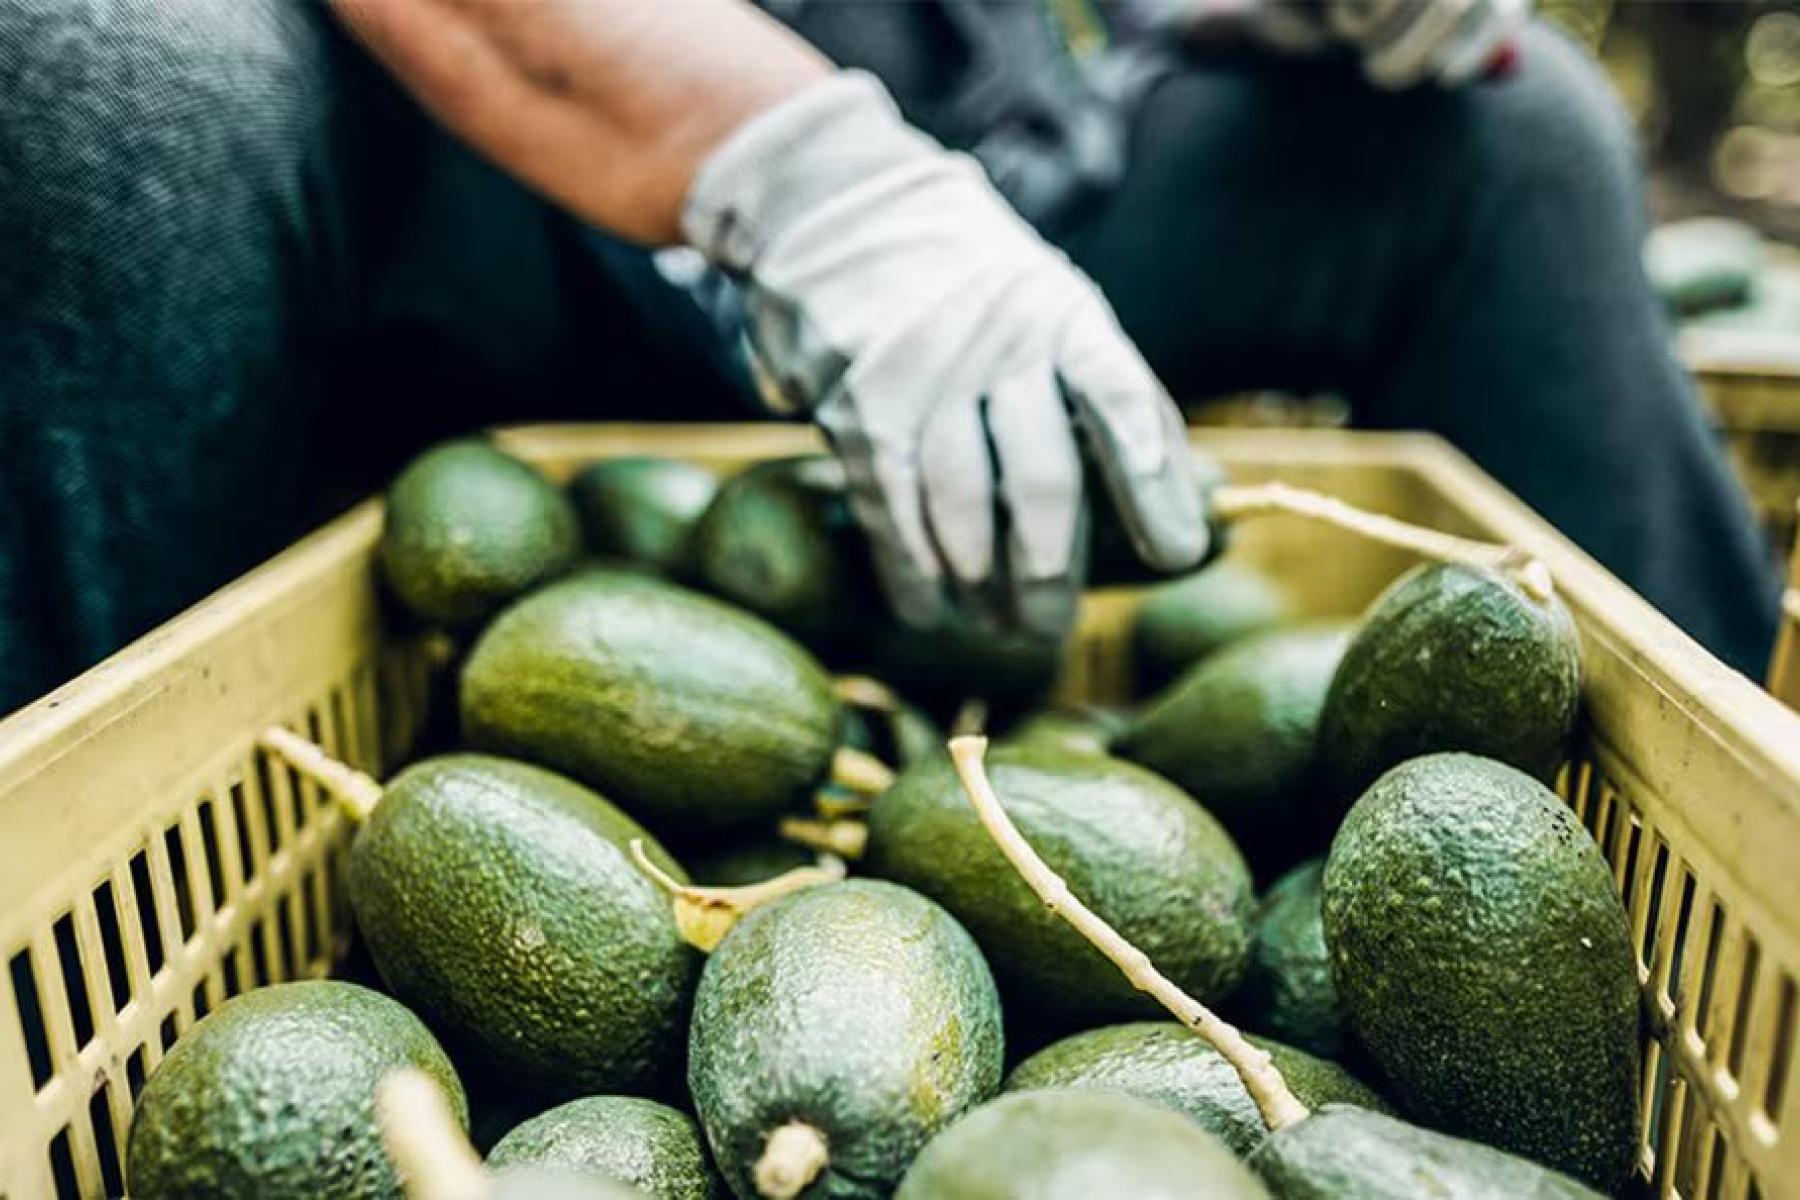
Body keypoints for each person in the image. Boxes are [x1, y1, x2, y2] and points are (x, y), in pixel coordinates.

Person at [0, 0, 1779, 715]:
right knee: (94, 62)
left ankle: (1704, 949)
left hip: (988, 208)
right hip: (492, 203)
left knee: (1513, 134)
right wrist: (794, 164)